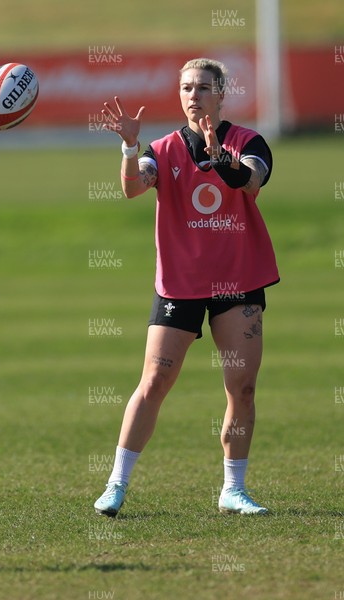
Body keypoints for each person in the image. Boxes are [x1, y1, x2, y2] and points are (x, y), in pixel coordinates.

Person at [94, 58, 279, 517]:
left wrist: (219, 159)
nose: (193, 94)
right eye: (186, 87)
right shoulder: (162, 147)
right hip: (181, 283)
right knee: (155, 380)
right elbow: (135, 187)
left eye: (202, 87)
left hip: (238, 280)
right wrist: (130, 146)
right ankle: (116, 484)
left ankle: (233, 490)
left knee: (243, 388)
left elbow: (251, 178)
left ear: (222, 95)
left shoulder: (247, 142)